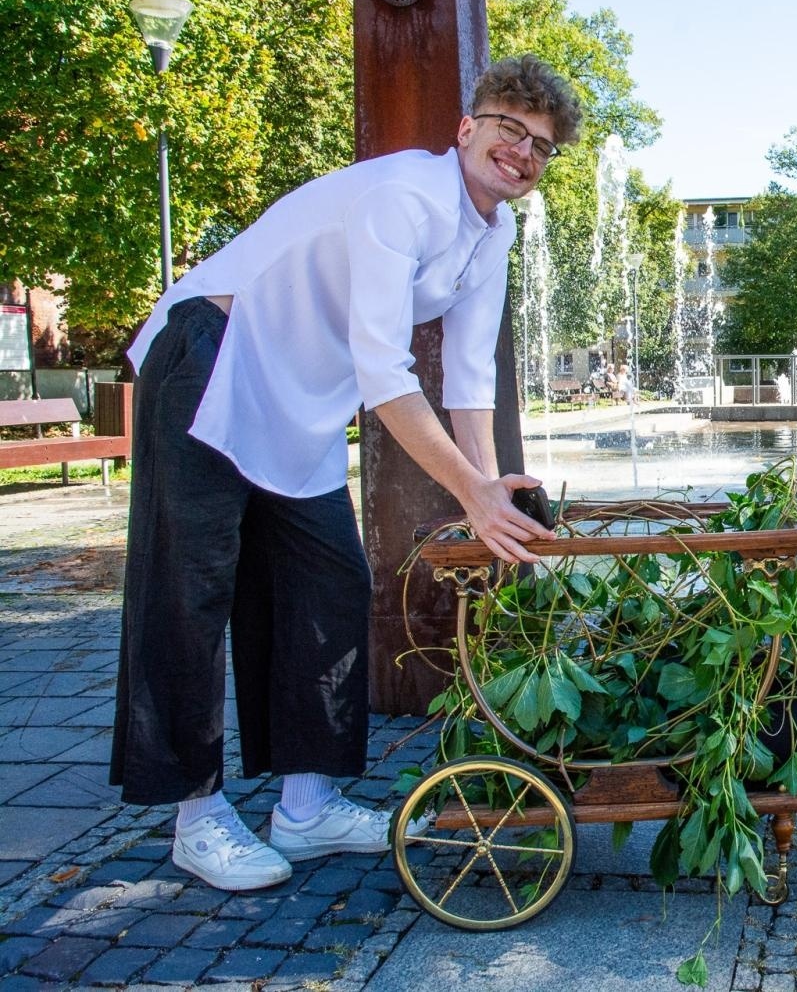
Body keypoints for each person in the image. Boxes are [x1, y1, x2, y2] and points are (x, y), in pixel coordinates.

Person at [114, 55, 581, 892]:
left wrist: (493, 489)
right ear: (467, 128)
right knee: (191, 588)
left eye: (541, 146)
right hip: (213, 353)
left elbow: (471, 376)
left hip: (301, 392)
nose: (522, 151)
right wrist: (468, 492)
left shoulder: (495, 231)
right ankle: (196, 815)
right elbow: (384, 372)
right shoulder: (404, 195)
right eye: (510, 128)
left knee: (330, 580)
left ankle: (305, 806)